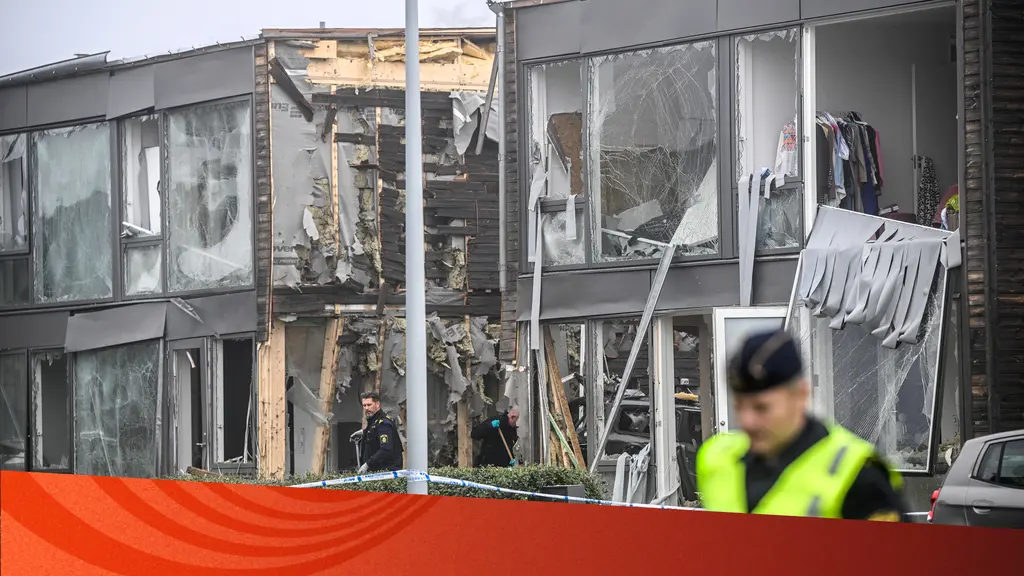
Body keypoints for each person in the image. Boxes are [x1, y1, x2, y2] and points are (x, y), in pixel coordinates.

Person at [696, 329, 907, 521]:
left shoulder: (858, 475)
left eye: (761, 408)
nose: (747, 421)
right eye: (739, 407)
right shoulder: (716, 457)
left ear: (801, 395)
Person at [357, 392, 404, 474]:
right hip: (377, 472)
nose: (366, 408)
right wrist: (364, 433)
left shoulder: (383, 423)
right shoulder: (374, 421)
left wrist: (367, 464)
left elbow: (386, 449)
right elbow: (374, 433)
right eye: (364, 405)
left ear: (377, 404)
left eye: (369, 405)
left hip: (385, 473)